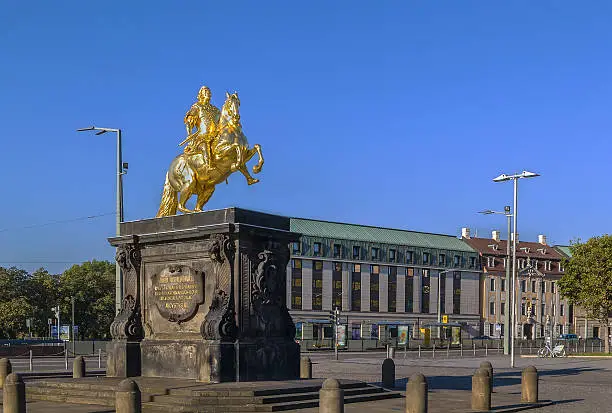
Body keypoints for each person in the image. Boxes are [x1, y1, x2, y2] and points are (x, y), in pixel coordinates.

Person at [181, 86, 221, 169]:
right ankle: (208, 166)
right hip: (202, 137)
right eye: (205, 91)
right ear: (201, 94)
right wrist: (189, 134)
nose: (208, 93)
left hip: (216, 137)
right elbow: (190, 120)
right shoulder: (197, 107)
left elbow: (221, 122)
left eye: (209, 92)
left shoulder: (215, 110)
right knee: (204, 146)